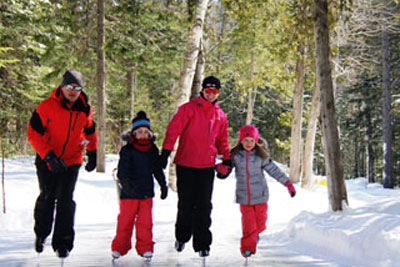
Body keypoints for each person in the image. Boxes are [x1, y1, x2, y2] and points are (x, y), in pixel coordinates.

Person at [27, 69, 97, 258]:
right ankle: (41, 234)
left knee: (66, 200)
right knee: (47, 197)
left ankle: (63, 243)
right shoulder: (46, 106)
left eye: (77, 88)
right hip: (47, 160)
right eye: (69, 87)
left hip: (71, 161)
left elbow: (89, 131)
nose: (73, 91)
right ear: (62, 86)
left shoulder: (84, 109)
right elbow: (33, 133)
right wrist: (48, 156)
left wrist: (92, 152)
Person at [159, 76, 231, 257]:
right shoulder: (188, 109)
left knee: (204, 206)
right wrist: (166, 152)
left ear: (218, 93)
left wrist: (227, 161)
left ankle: (203, 244)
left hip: (207, 166)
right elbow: (173, 129)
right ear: (202, 91)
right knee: (186, 204)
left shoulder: (220, 115)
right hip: (186, 164)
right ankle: (182, 237)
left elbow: (222, 140)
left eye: (214, 92)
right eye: (208, 91)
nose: (211, 94)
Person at [216, 125, 296, 258]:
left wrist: (287, 184)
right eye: (246, 140)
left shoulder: (261, 156)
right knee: (248, 225)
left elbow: (274, 171)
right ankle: (247, 248)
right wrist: (220, 168)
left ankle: (255, 234)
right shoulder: (235, 156)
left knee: (261, 222)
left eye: (252, 140)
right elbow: (225, 164)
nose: (249, 143)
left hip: (260, 196)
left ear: (256, 142)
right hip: (244, 197)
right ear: (241, 141)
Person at [111, 111, 168, 260]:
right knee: (125, 222)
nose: (143, 135)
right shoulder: (127, 150)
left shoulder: (152, 150)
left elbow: (157, 169)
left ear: (149, 134)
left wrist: (163, 185)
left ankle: (145, 248)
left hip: (146, 193)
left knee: (145, 223)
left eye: (145, 132)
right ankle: (120, 247)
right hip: (129, 194)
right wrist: (125, 183)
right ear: (134, 134)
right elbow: (122, 170)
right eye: (139, 132)